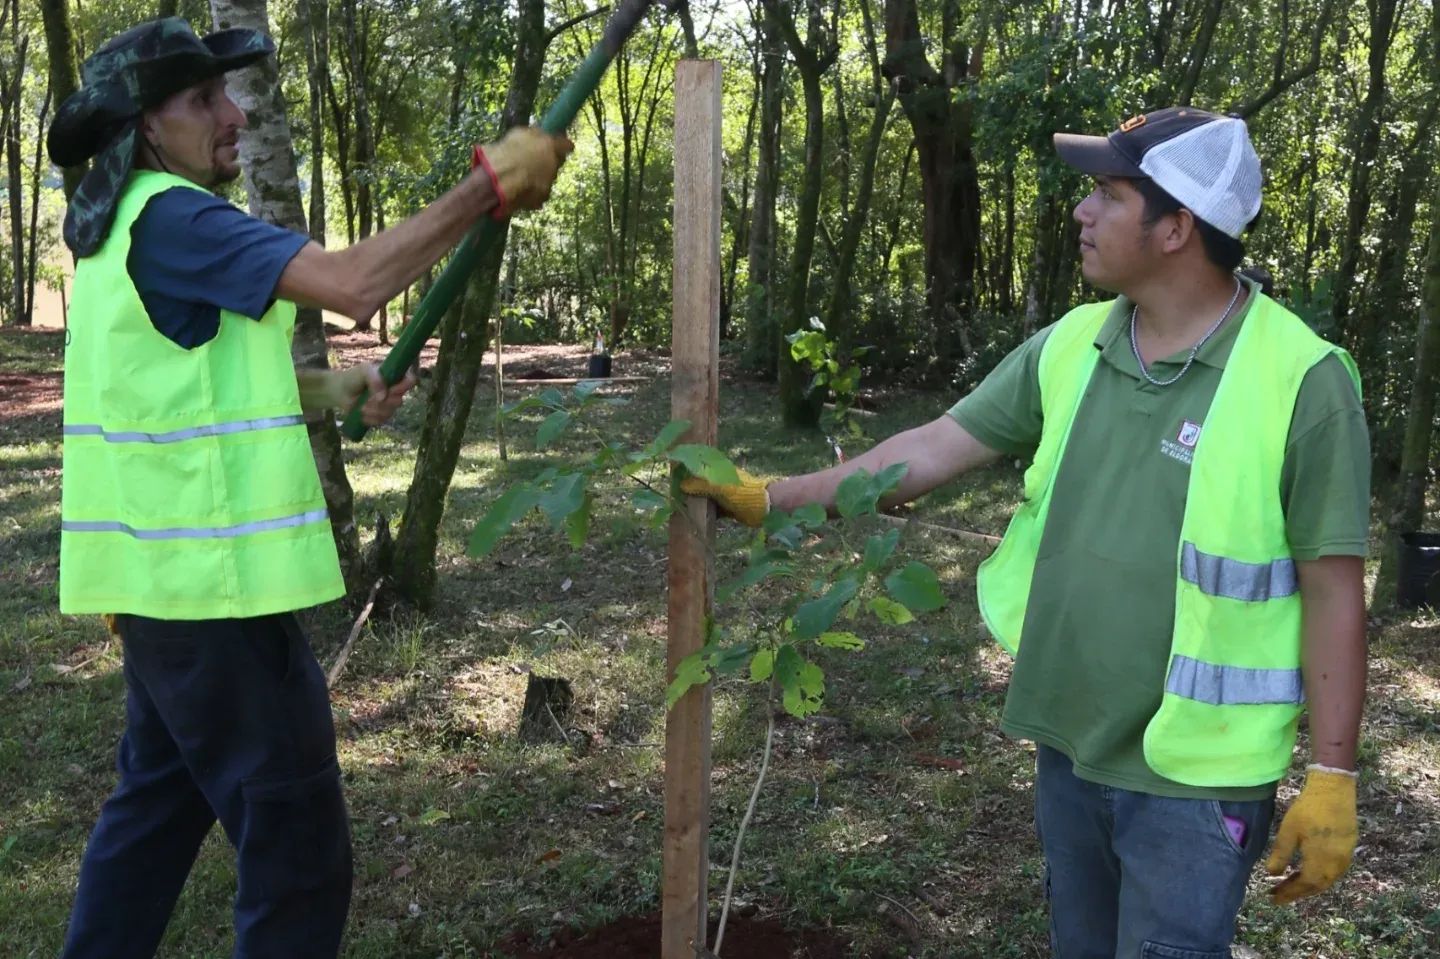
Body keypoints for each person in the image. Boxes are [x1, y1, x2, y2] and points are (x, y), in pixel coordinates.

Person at [685, 107, 1368, 958]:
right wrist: (774, 497)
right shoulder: (1073, 345)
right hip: (1071, 744)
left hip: (1200, 782)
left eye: (1107, 196)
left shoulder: (1301, 379)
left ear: (1177, 228)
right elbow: (933, 445)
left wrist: (1333, 773)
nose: (1081, 213)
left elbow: (1335, 585)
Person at [47, 18, 572, 958]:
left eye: (229, 93)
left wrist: (336, 390)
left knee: (150, 823)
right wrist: (488, 186)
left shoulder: (121, 232)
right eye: (204, 98)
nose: (232, 115)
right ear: (144, 124)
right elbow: (356, 283)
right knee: (296, 854)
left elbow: (182, 390)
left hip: (161, 601)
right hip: (219, 601)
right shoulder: (176, 214)